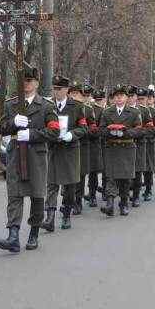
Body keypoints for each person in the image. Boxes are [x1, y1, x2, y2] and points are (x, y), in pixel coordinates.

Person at [0, 68, 59, 252]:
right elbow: (2, 127)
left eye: (30, 80)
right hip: (16, 154)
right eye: (24, 80)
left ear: (37, 83)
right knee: (14, 194)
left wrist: (31, 134)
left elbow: (54, 131)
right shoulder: (11, 104)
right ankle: (13, 235)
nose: (27, 84)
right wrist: (14, 122)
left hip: (36, 156)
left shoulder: (46, 106)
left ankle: (33, 233)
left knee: (37, 196)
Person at [41, 75, 87, 232]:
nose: (56, 92)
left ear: (67, 90)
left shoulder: (77, 106)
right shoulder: (48, 105)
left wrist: (71, 135)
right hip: (53, 149)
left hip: (70, 151)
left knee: (69, 186)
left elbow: (83, 128)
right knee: (51, 184)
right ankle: (50, 217)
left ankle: (66, 214)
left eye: (59, 89)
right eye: (54, 89)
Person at [99, 85, 142, 216]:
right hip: (111, 147)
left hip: (127, 148)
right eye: (116, 96)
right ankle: (110, 204)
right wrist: (110, 131)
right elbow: (101, 129)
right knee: (110, 177)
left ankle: (123, 203)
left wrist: (125, 132)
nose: (119, 98)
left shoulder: (134, 112)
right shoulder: (107, 112)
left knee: (125, 179)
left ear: (126, 97)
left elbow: (139, 130)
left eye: (121, 96)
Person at [68, 83, 92, 215]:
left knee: (80, 176)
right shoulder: (64, 108)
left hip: (82, 146)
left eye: (76, 94)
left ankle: (78, 201)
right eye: (72, 93)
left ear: (83, 97)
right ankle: (68, 201)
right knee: (68, 176)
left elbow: (92, 129)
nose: (74, 96)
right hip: (67, 147)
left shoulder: (87, 110)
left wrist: (78, 133)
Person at [127, 85, 147, 207]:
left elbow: (148, 129)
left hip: (139, 144)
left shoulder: (143, 111)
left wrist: (137, 133)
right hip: (125, 146)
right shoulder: (122, 110)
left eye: (132, 96)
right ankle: (125, 193)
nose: (130, 99)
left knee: (137, 172)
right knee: (126, 172)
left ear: (136, 97)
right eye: (128, 96)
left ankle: (135, 196)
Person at [85, 89, 105, 207]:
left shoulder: (102, 111)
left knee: (93, 171)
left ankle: (93, 195)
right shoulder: (89, 109)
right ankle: (91, 194)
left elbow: (99, 130)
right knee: (91, 171)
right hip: (91, 143)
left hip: (96, 143)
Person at [138, 88, 155, 202]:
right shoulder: (134, 110)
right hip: (138, 143)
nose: (140, 101)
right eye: (139, 99)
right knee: (138, 167)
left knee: (148, 167)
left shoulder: (153, 112)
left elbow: (154, 129)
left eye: (143, 99)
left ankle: (148, 190)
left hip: (149, 142)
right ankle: (137, 188)